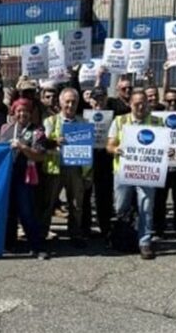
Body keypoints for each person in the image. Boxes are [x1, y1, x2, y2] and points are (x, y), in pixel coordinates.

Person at [106, 90, 163, 260]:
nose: (140, 106)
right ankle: (121, 238)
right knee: (121, 207)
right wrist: (116, 149)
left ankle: (144, 242)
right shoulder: (120, 121)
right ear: (130, 104)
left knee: (146, 207)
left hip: (147, 173)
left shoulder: (157, 122)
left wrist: (169, 152)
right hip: (124, 171)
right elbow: (109, 145)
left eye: (143, 103)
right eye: (137, 103)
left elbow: (163, 147)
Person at [41, 88, 89, 250]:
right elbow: (42, 144)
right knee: (48, 203)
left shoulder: (84, 123)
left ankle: (75, 234)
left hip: (75, 167)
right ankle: (43, 234)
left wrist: (88, 174)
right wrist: (55, 141)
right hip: (55, 168)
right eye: (67, 101)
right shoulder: (50, 121)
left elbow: (87, 150)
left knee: (76, 204)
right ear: (60, 103)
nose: (70, 105)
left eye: (74, 102)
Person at [0, 98, 46, 258]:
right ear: (13, 112)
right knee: (9, 211)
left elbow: (40, 156)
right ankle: (9, 244)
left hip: (25, 175)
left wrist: (22, 147)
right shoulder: (5, 129)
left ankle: (36, 246)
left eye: (25, 111)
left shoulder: (37, 131)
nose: (22, 114)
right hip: (7, 175)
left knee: (27, 212)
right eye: (19, 111)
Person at [152, 81, 176, 241]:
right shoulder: (156, 118)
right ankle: (159, 230)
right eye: (169, 101)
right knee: (159, 201)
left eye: (175, 100)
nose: (172, 103)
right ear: (164, 102)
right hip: (162, 167)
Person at [81, 87, 114, 241]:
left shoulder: (114, 116)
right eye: (96, 98)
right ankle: (85, 228)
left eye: (102, 98)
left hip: (105, 158)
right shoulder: (83, 116)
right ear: (90, 100)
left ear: (106, 99)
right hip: (87, 157)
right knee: (85, 194)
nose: (99, 102)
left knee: (104, 195)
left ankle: (105, 227)